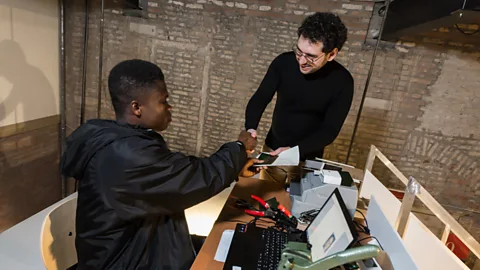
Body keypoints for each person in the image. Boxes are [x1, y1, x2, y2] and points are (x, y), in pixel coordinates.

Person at [60, 59, 259, 270]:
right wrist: (239, 147)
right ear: (137, 107)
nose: (169, 107)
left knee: (230, 247)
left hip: (142, 243)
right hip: (123, 261)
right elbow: (194, 178)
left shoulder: (123, 141)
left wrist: (235, 167)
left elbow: (177, 173)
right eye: (163, 101)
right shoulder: (126, 154)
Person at [244, 12, 354, 184]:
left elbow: (329, 131)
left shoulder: (343, 82)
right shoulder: (283, 63)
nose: (301, 61)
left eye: (310, 56)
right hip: (272, 151)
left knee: (300, 207)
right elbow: (260, 98)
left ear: (331, 54)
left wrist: (294, 151)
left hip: (308, 161)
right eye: (299, 52)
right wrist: (251, 128)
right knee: (269, 198)